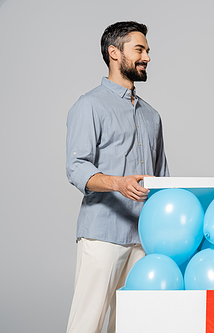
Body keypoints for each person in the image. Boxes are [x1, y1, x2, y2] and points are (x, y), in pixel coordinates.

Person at [65, 21, 169, 333]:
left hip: (143, 238)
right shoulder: (89, 105)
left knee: (133, 325)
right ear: (114, 53)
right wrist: (118, 184)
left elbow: (162, 178)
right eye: (140, 49)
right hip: (102, 234)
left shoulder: (152, 116)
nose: (147, 56)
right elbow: (76, 167)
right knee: (88, 324)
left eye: (148, 51)